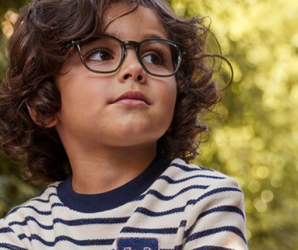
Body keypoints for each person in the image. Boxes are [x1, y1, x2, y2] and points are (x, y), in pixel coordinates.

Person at [0, 0, 248, 249]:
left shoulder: (206, 200)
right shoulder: (22, 232)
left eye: (154, 57)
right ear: (45, 104)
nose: (135, 68)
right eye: (101, 55)